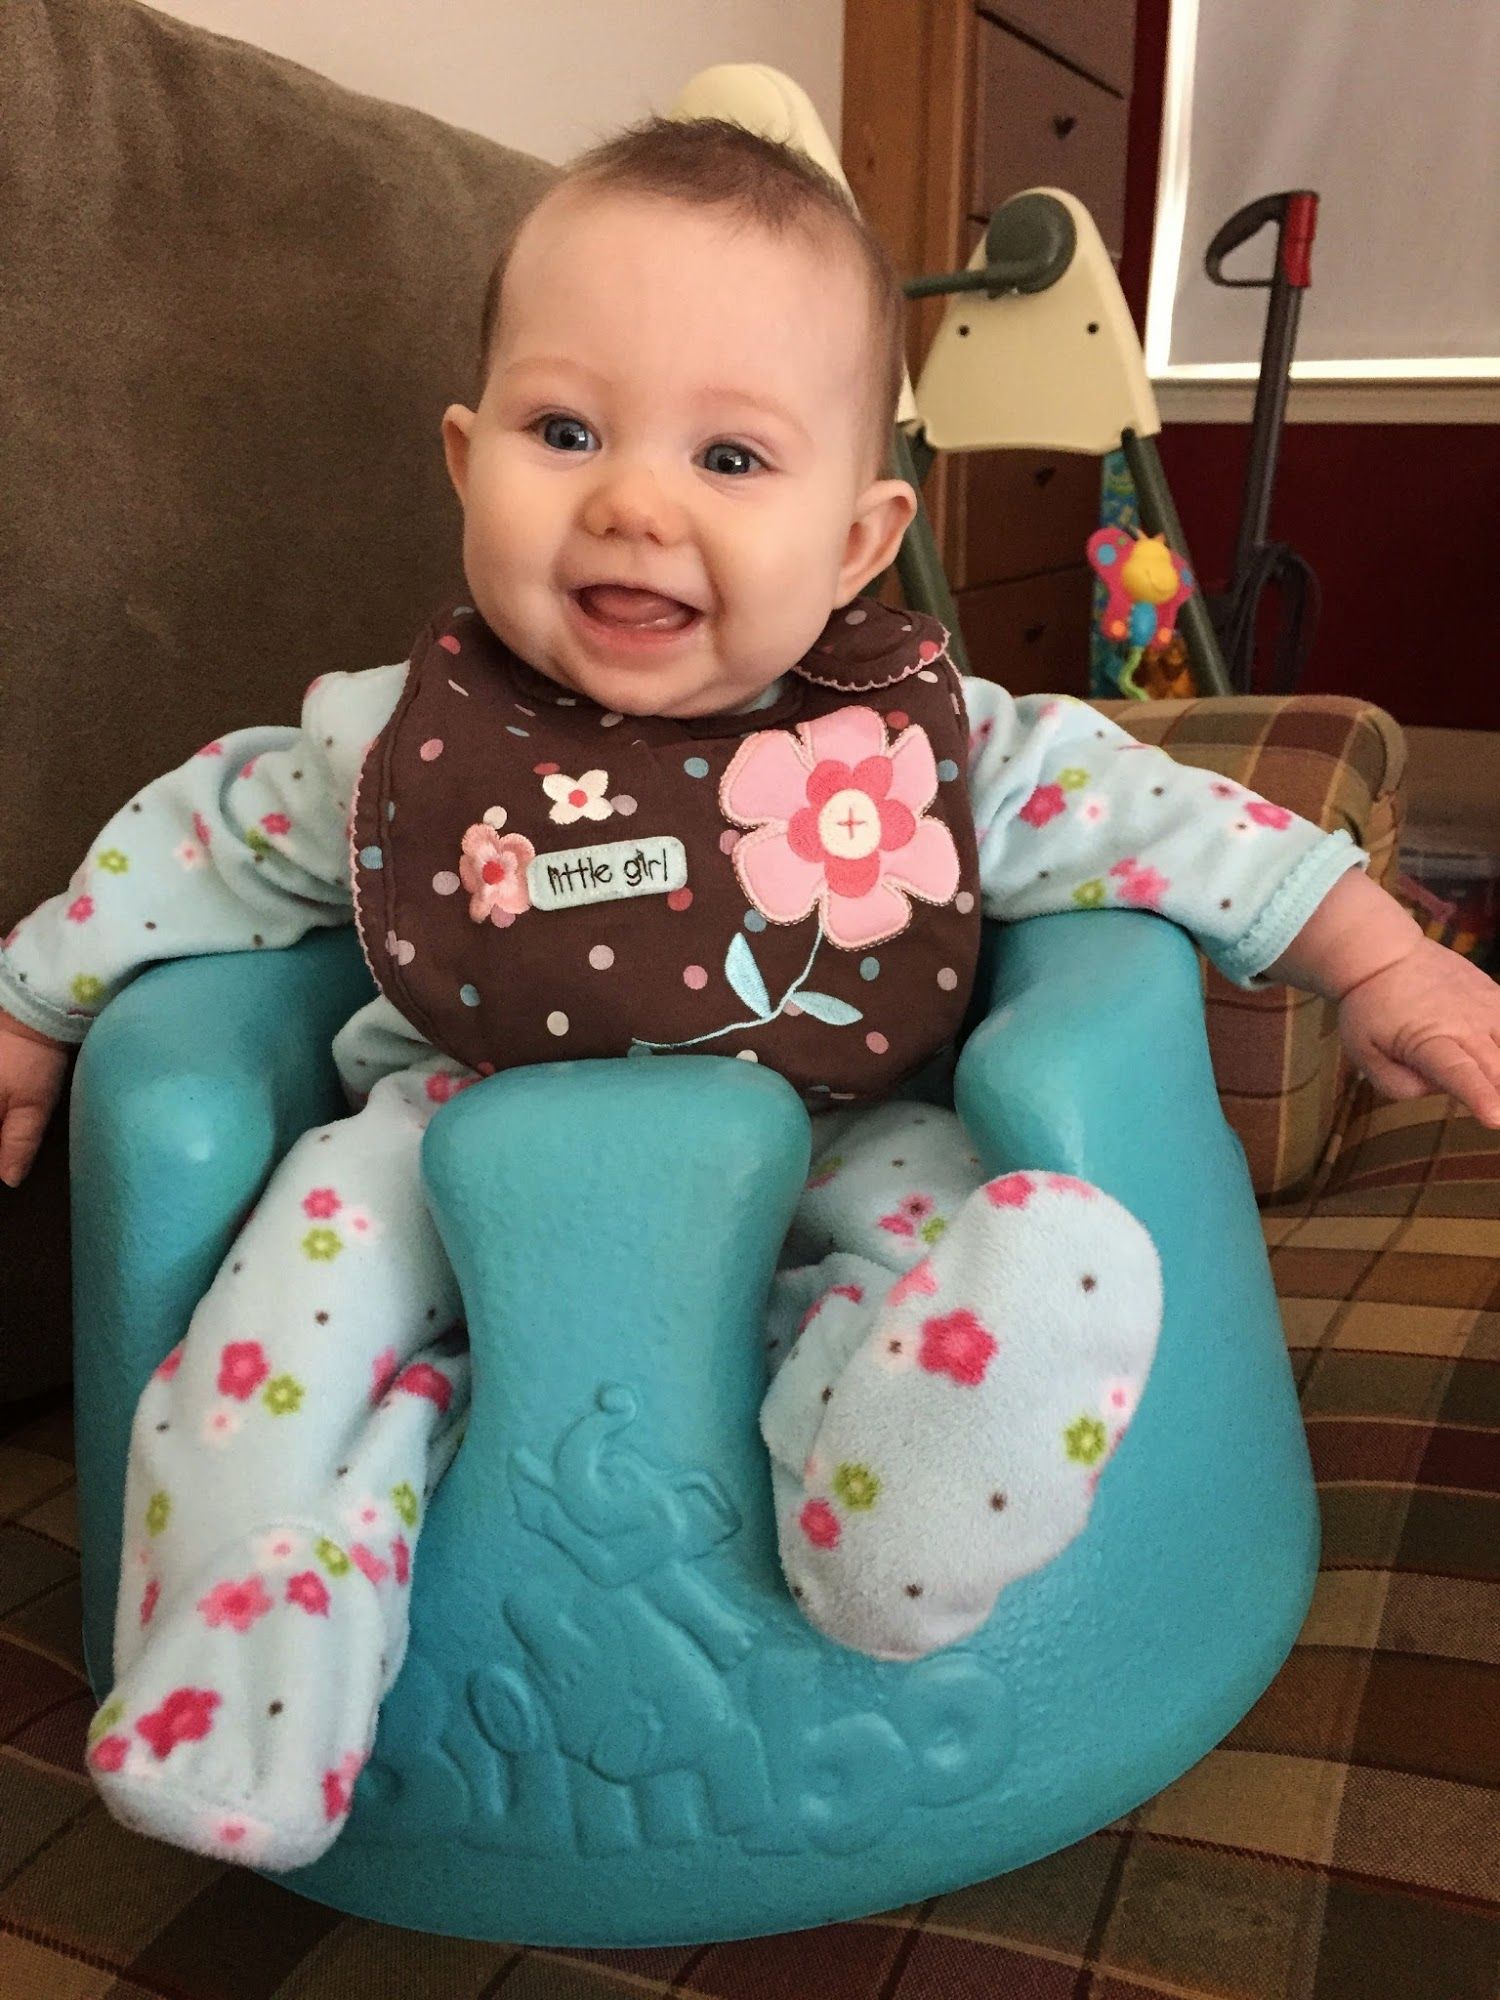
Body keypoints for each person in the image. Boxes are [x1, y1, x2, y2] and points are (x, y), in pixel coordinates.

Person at [2, 117, 1497, 1874]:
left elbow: (1159, 815)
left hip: (839, 1128)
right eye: (568, 433)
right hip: (441, 1134)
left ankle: (902, 1489)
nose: (635, 499)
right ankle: (242, 1673)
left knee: (948, 1234)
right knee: (262, 1352)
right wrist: (39, 1010)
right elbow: (197, 836)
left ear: (863, 536)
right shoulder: (386, 743)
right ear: (466, 459)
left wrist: (1378, 956)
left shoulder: (934, 744)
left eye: (730, 454)